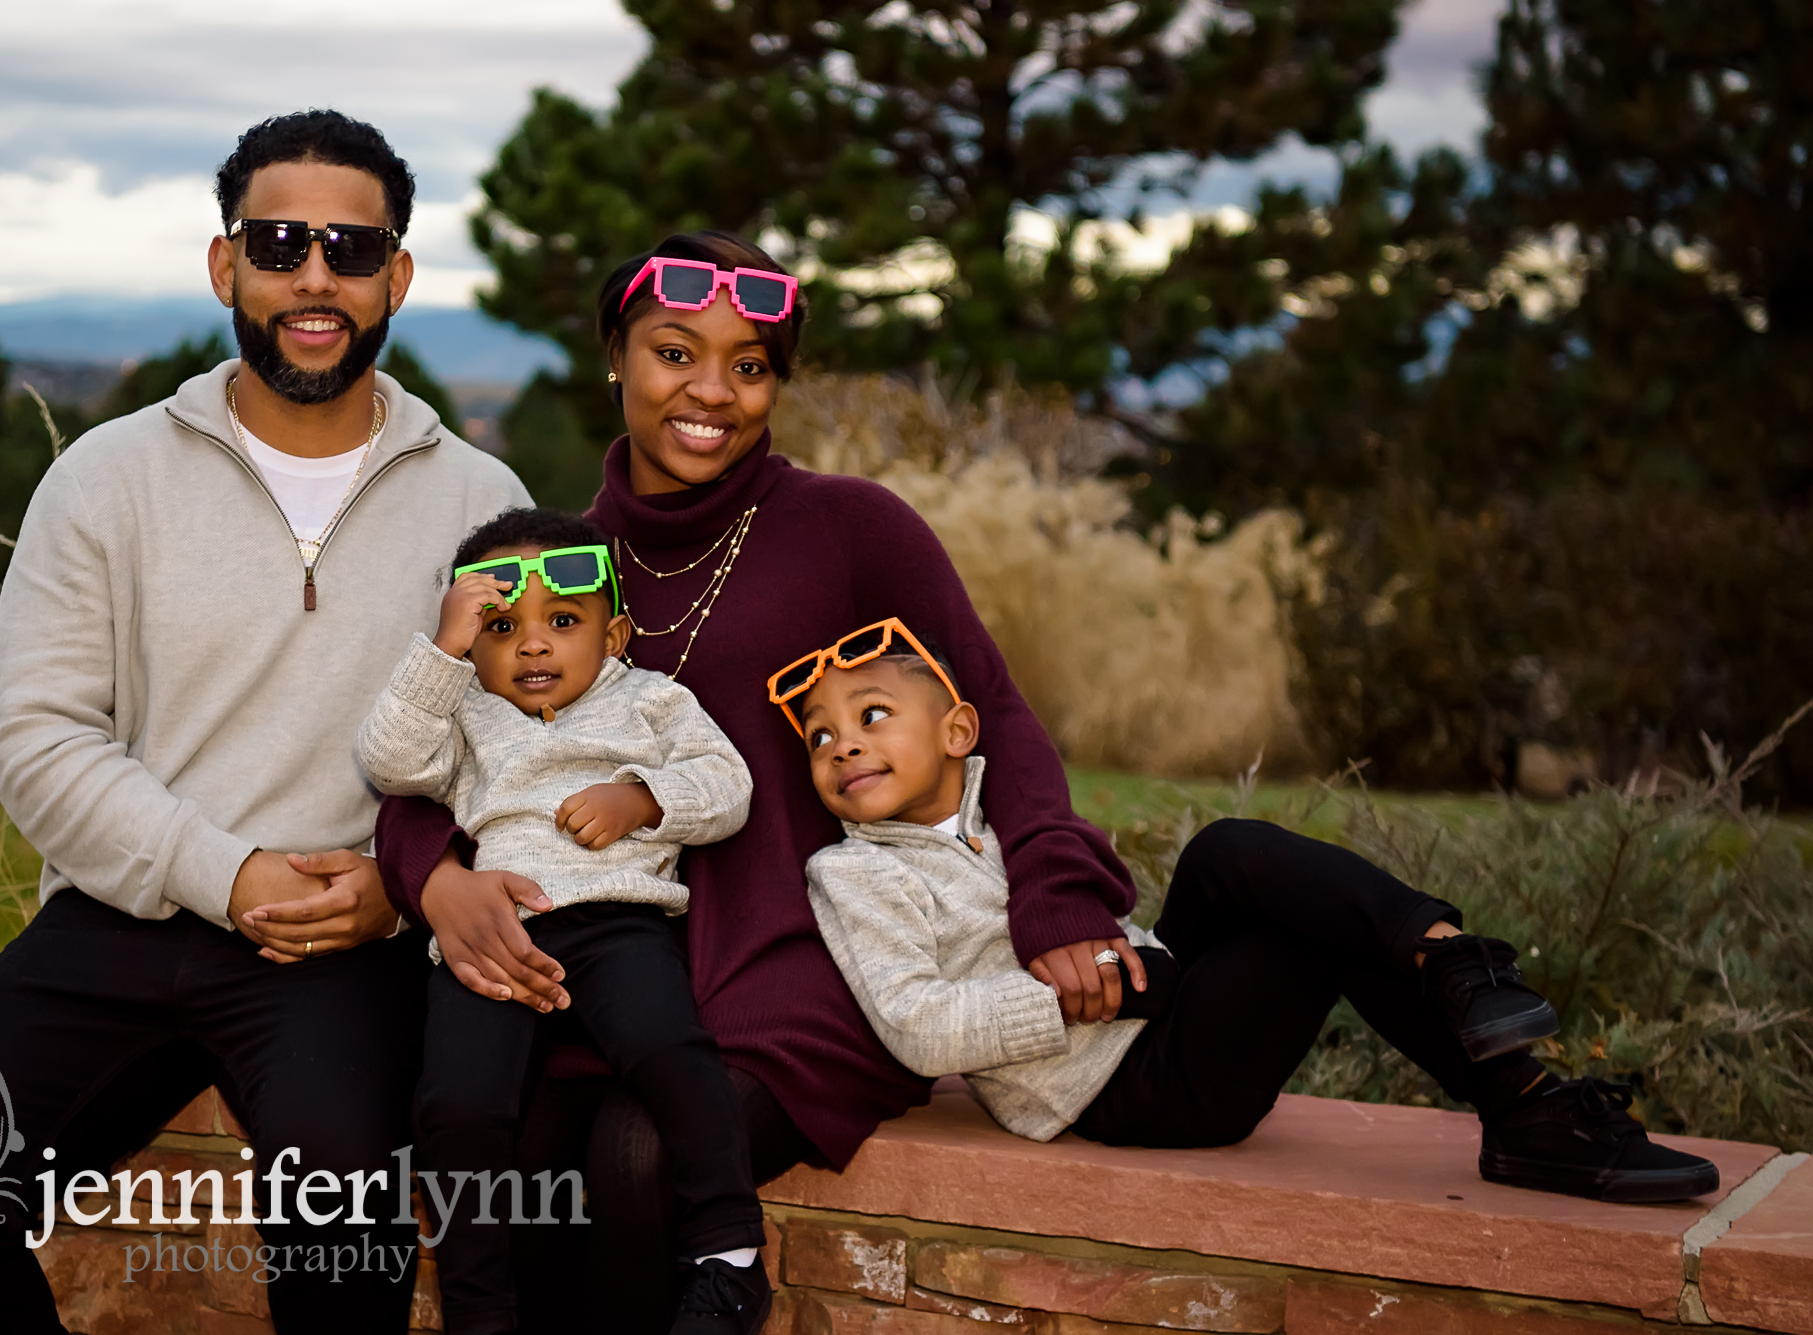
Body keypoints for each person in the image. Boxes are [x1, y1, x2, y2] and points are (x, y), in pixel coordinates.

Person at [372, 231, 1146, 1331]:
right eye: (674, 352)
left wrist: (1058, 897)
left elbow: (995, 717)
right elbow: (429, 759)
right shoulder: (556, 571)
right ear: (614, 357)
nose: (711, 393)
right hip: (605, 948)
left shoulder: (849, 526)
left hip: (809, 958)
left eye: (749, 366)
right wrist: (433, 883)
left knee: (638, 1155)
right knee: (515, 1152)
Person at [0, 110, 530, 1333]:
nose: (313, 276)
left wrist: (398, 886)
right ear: (227, 266)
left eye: (350, 248)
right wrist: (224, 872)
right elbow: (44, 741)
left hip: (346, 936)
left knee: (342, 1246)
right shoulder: (106, 476)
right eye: (278, 243)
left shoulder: (482, 502)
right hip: (124, 913)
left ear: (397, 278)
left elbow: (517, 753)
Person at [788, 618, 1721, 1202]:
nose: (842, 746)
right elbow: (916, 1024)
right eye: (821, 735)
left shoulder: (1008, 816)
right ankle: (1523, 1101)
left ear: (956, 732)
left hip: (1155, 1006)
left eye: (872, 714)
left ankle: (1448, 956)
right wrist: (1076, 996)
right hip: (1124, 1091)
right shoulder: (853, 873)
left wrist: (1126, 969)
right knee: (1305, 939)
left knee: (1228, 848)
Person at [354, 507, 770, 1334]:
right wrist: (441, 654)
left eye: (563, 622)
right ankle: (480, 1307)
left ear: (613, 634)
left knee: (670, 1052)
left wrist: (645, 798)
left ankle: (728, 1253)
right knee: (457, 1105)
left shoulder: (653, 701)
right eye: (501, 629)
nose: (533, 645)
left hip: (621, 922)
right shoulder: (467, 713)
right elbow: (390, 761)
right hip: (497, 938)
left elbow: (729, 785)